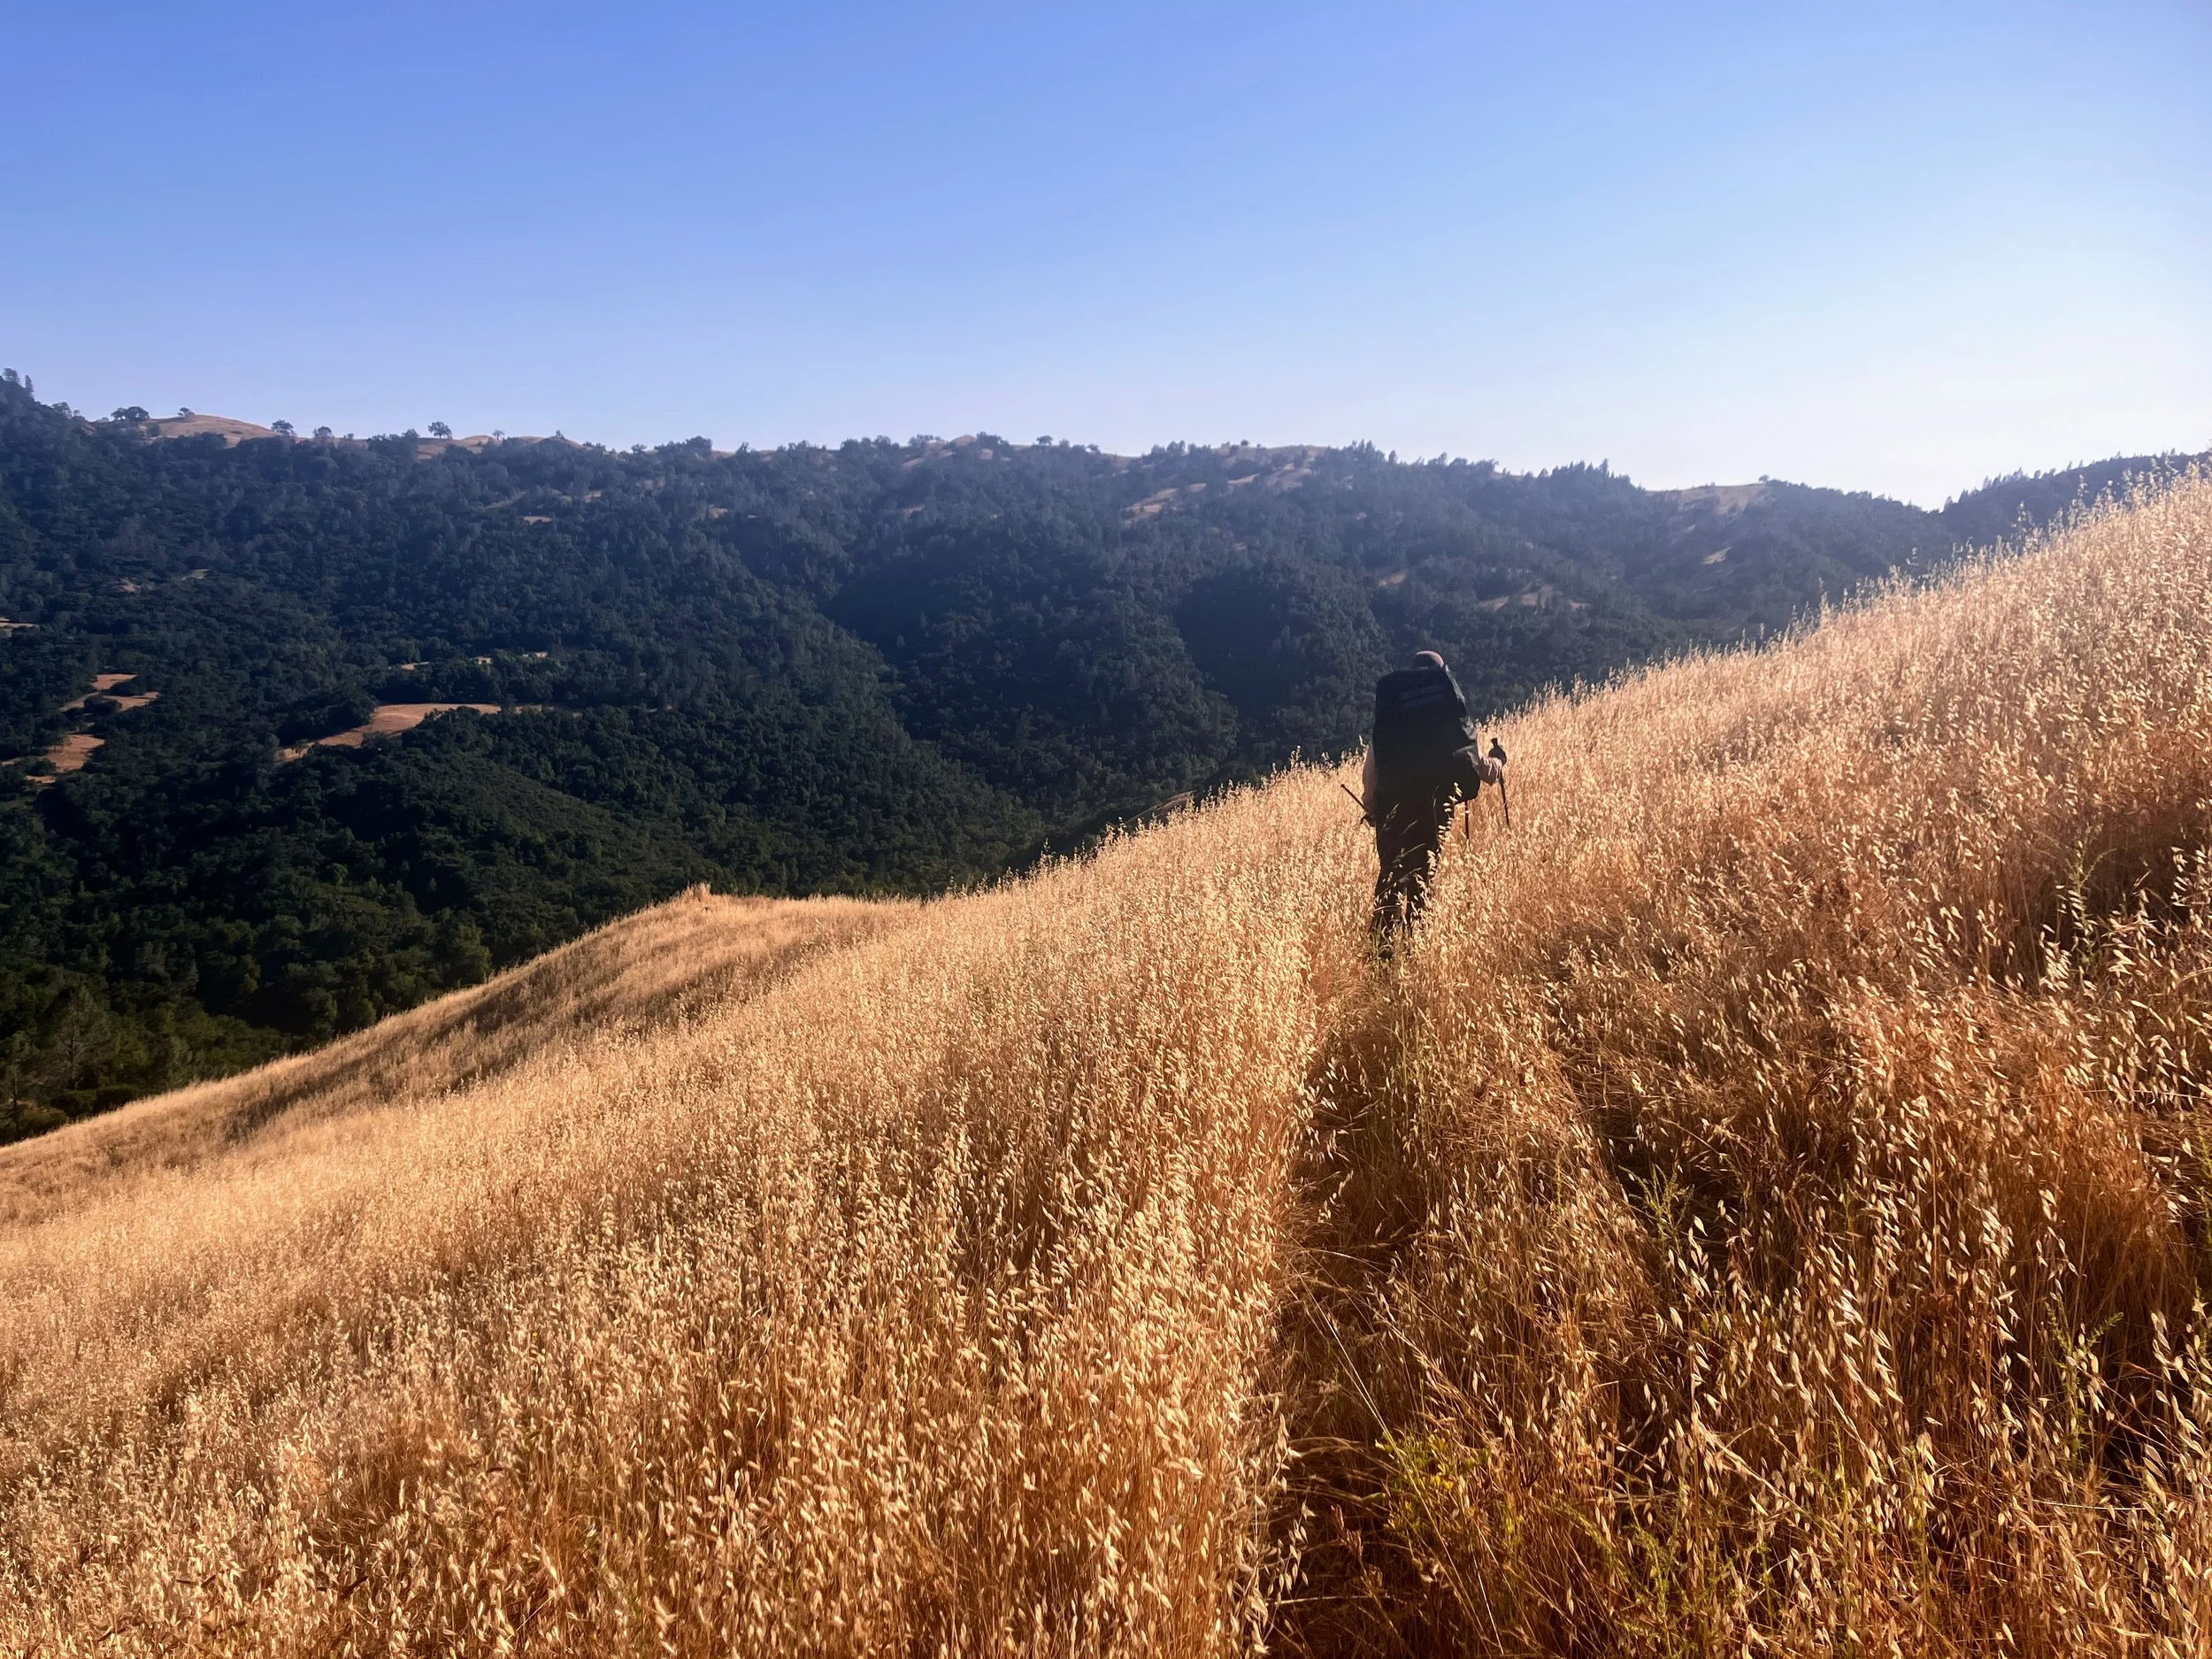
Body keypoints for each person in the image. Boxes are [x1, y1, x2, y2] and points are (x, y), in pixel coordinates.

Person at [1363, 650, 1504, 941]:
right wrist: (1499, 762)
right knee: (1422, 881)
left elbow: (1372, 774)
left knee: (1390, 878)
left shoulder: (1392, 724)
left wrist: (1373, 808)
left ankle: (1380, 957)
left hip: (1392, 809)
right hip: (1435, 809)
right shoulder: (1449, 721)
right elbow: (1479, 767)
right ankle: (1417, 950)